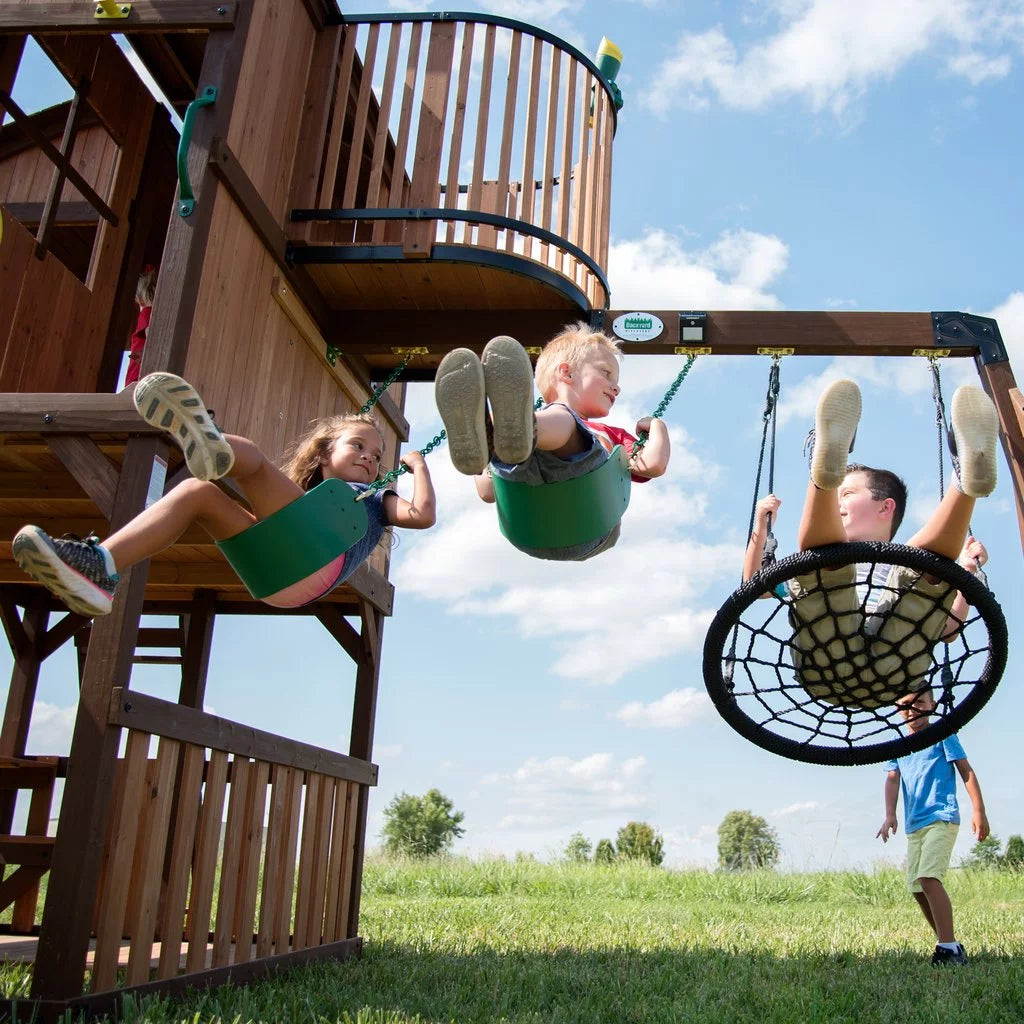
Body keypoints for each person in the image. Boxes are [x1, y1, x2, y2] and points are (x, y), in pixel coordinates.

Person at [13, 373, 436, 614]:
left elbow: (421, 516)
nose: (369, 457)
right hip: (273, 575)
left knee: (249, 457)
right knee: (198, 492)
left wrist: (417, 467)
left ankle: (214, 446)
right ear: (325, 454)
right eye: (357, 446)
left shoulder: (373, 498)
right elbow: (287, 508)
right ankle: (100, 566)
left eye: (377, 456)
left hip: (317, 560)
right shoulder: (303, 496)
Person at [742, 378, 997, 706]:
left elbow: (946, 628)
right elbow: (754, 585)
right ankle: (960, 486)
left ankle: (964, 480)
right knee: (828, 569)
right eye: (838, 492)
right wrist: (760, 531)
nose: (840, 504)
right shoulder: (818, 568)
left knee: (922, 570)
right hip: (876, 668)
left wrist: (965, 573)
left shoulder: (900, 565)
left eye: (846, 493)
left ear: (885, 507)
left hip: (854, 668)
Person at [434, 326, 670, 560]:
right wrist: (658, 428)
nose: (616, 387)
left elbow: (651, 466)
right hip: (545, 524)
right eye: (606, 373)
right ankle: (493, 437)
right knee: (538, 435)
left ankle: (494, 430)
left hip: (575, 524)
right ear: (566, 373)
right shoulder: (607, 432)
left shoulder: (587, 428)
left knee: (560, 423)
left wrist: (657, 425)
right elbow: (488, 492)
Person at [876, 688, 989, 966]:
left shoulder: (942, 734)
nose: (912, 709)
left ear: (932, 704)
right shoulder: (899, 742)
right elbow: (892, 779)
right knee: (916, 887)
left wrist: (979, 811)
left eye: (919, 702)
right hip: (915, 825)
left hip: (941, 817)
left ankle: (948, 947)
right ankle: (949, 942)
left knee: (928, 878)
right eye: (905, 705)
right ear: (897, 708)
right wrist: (890, 814)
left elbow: (966, 770)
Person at [124, 264, 157, 389]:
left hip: (139, 381)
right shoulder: (150, 315)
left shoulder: (146, 315)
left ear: (139, 299)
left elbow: (145, 350)